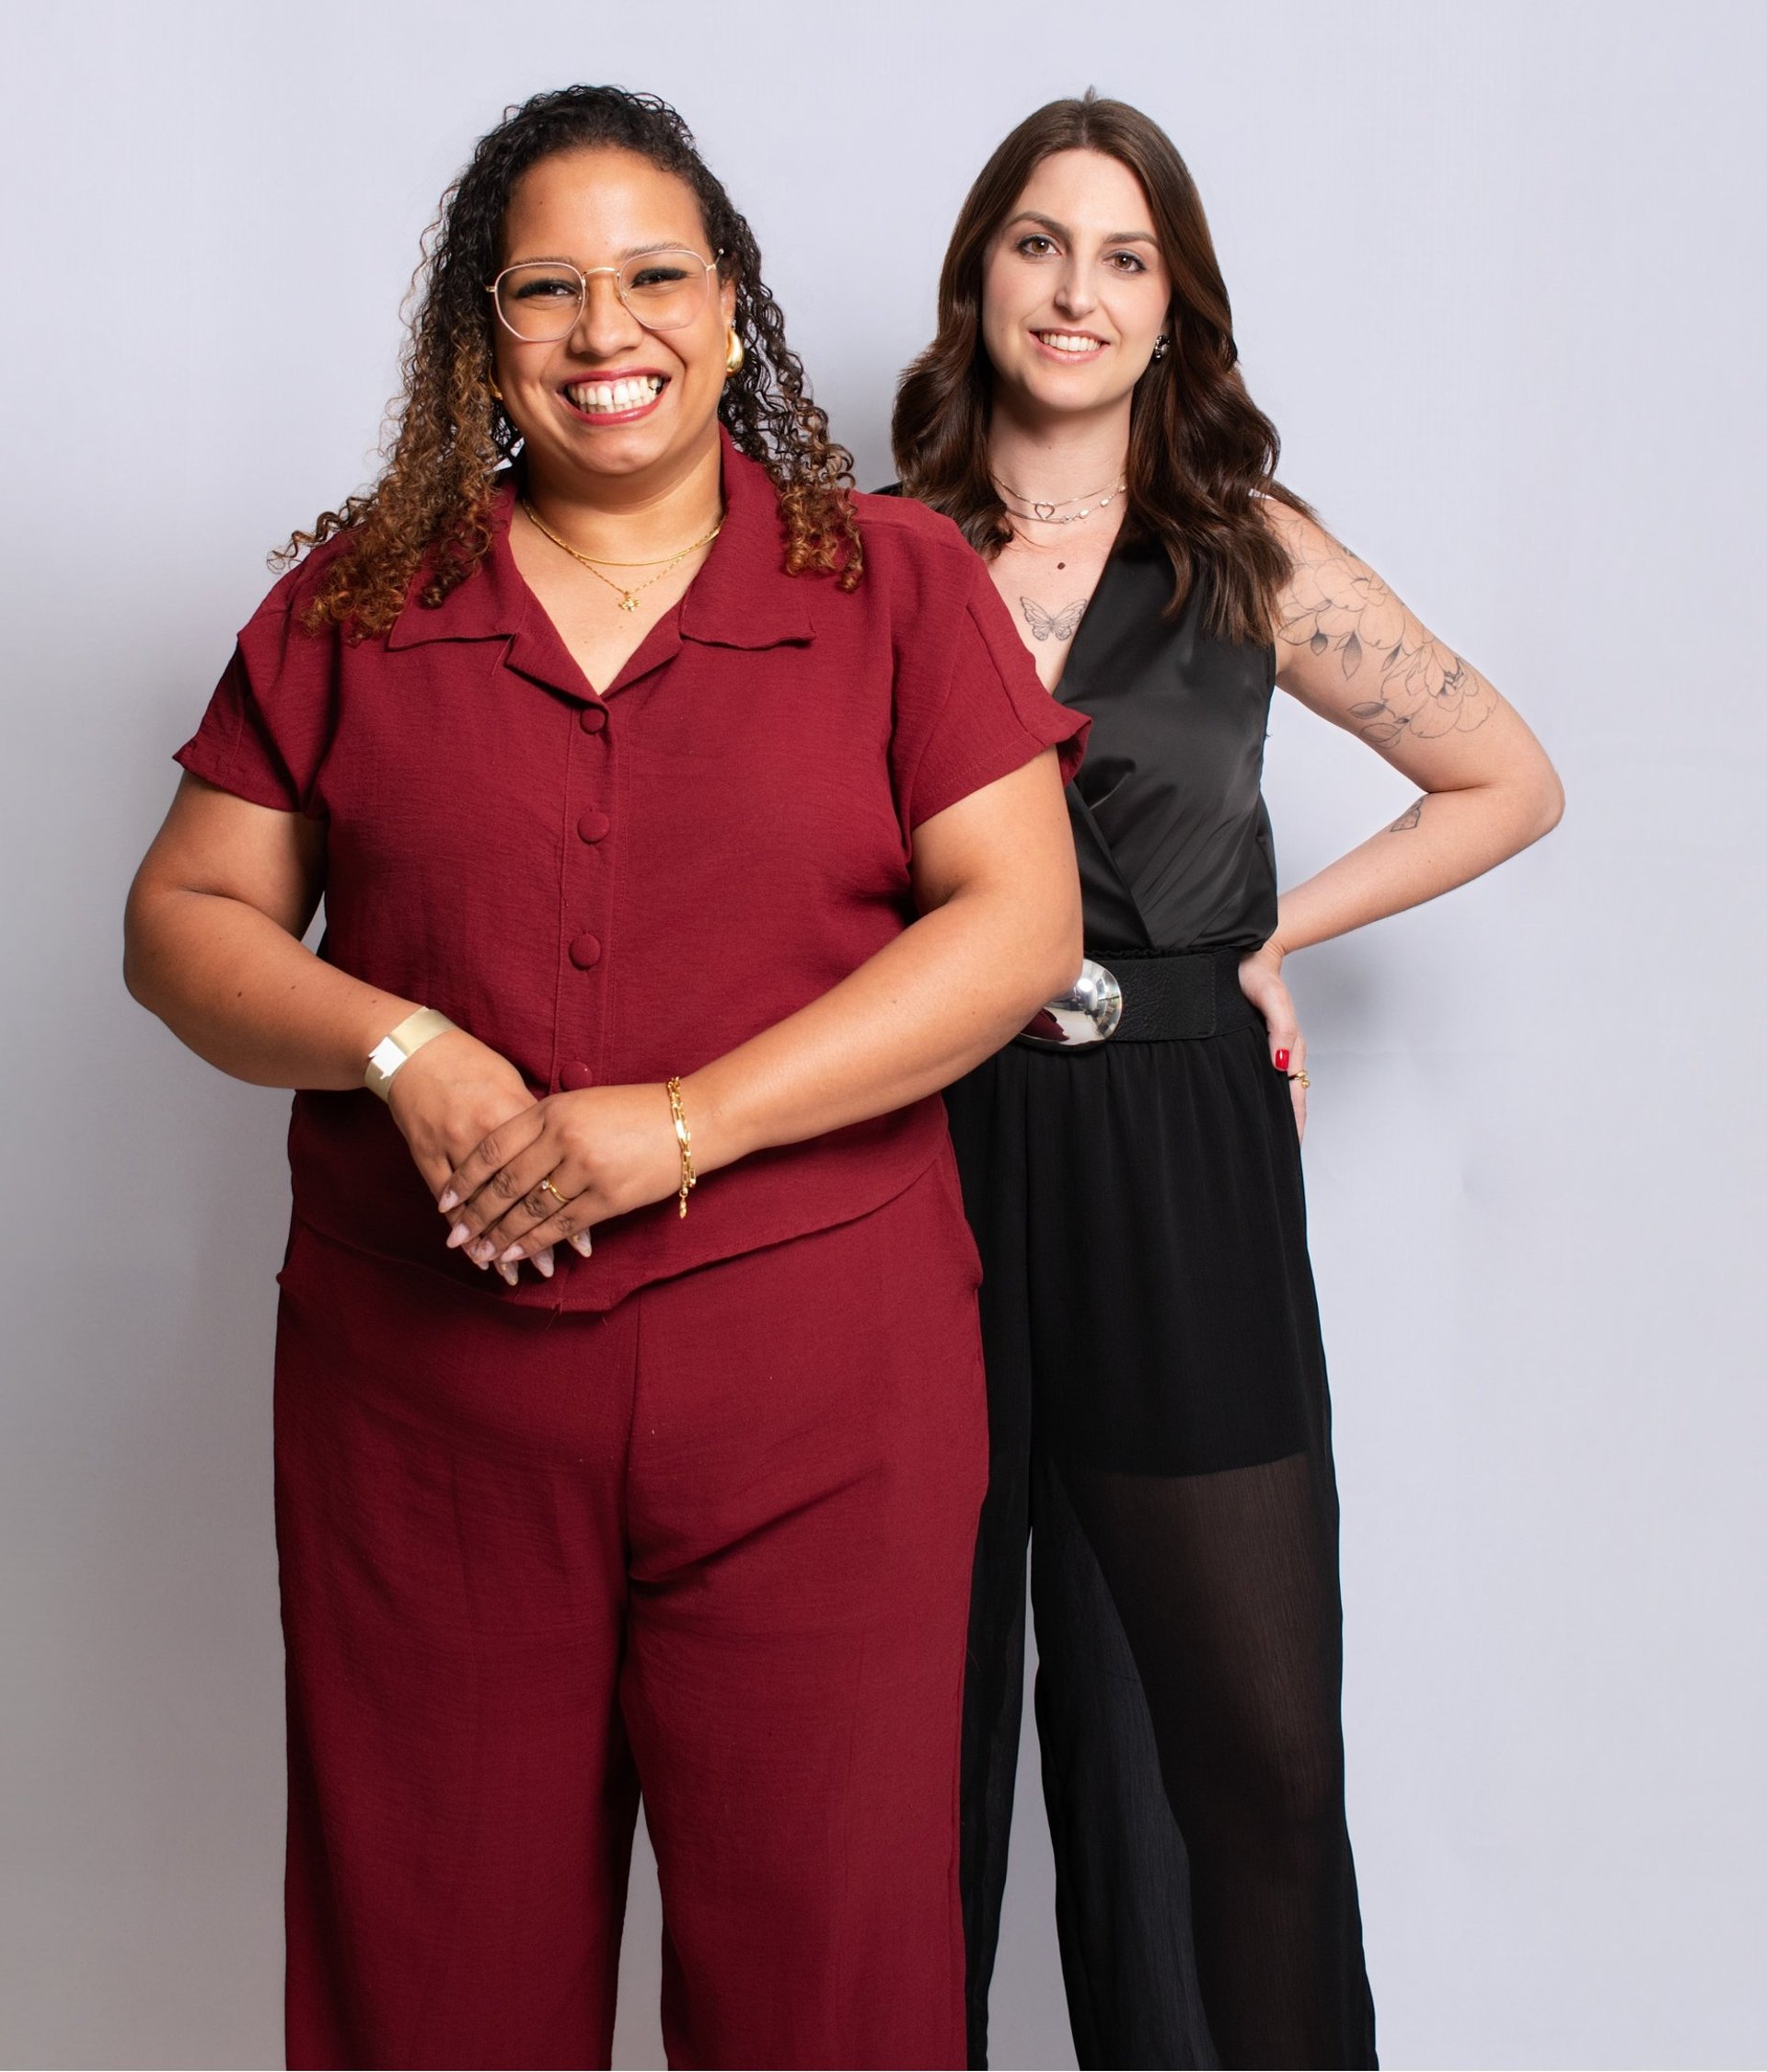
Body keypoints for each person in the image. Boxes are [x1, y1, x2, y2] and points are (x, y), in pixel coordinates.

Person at [124, 85, 1087, 2071]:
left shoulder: (895, 585)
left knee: (830, 1975)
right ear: (482, 341)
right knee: (438, 1972)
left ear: (731, 312)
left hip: (824, 1389)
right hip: (432, 1416)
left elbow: (1014, 924)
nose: (603, 329)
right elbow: (185, 922)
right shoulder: (354, 602)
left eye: (652, 277)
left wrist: (682, 1122)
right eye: (546, 289)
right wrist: (399, 1041)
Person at [891, 92, 1565, 2070]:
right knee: (905, 1777)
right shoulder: (872, 562)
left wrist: (1279, 937)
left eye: (1122, 255)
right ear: (978, 277)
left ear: (1174, 304)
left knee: (1252, 1760)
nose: (1075, 290)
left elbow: (1507, 775)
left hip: (1179, 1157)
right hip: (917, 1155)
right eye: (1037, 243)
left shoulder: (1247, 552)